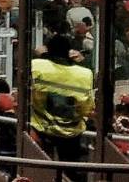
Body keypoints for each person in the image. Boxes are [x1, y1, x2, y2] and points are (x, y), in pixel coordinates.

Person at [29, 33, 96, 163]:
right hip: (72, 133)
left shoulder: (36, 65)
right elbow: (87, 108)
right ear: (69, 51)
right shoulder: (85, 74)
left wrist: (42, 54)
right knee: (70, 171)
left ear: (48, 49)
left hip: (42, 129)